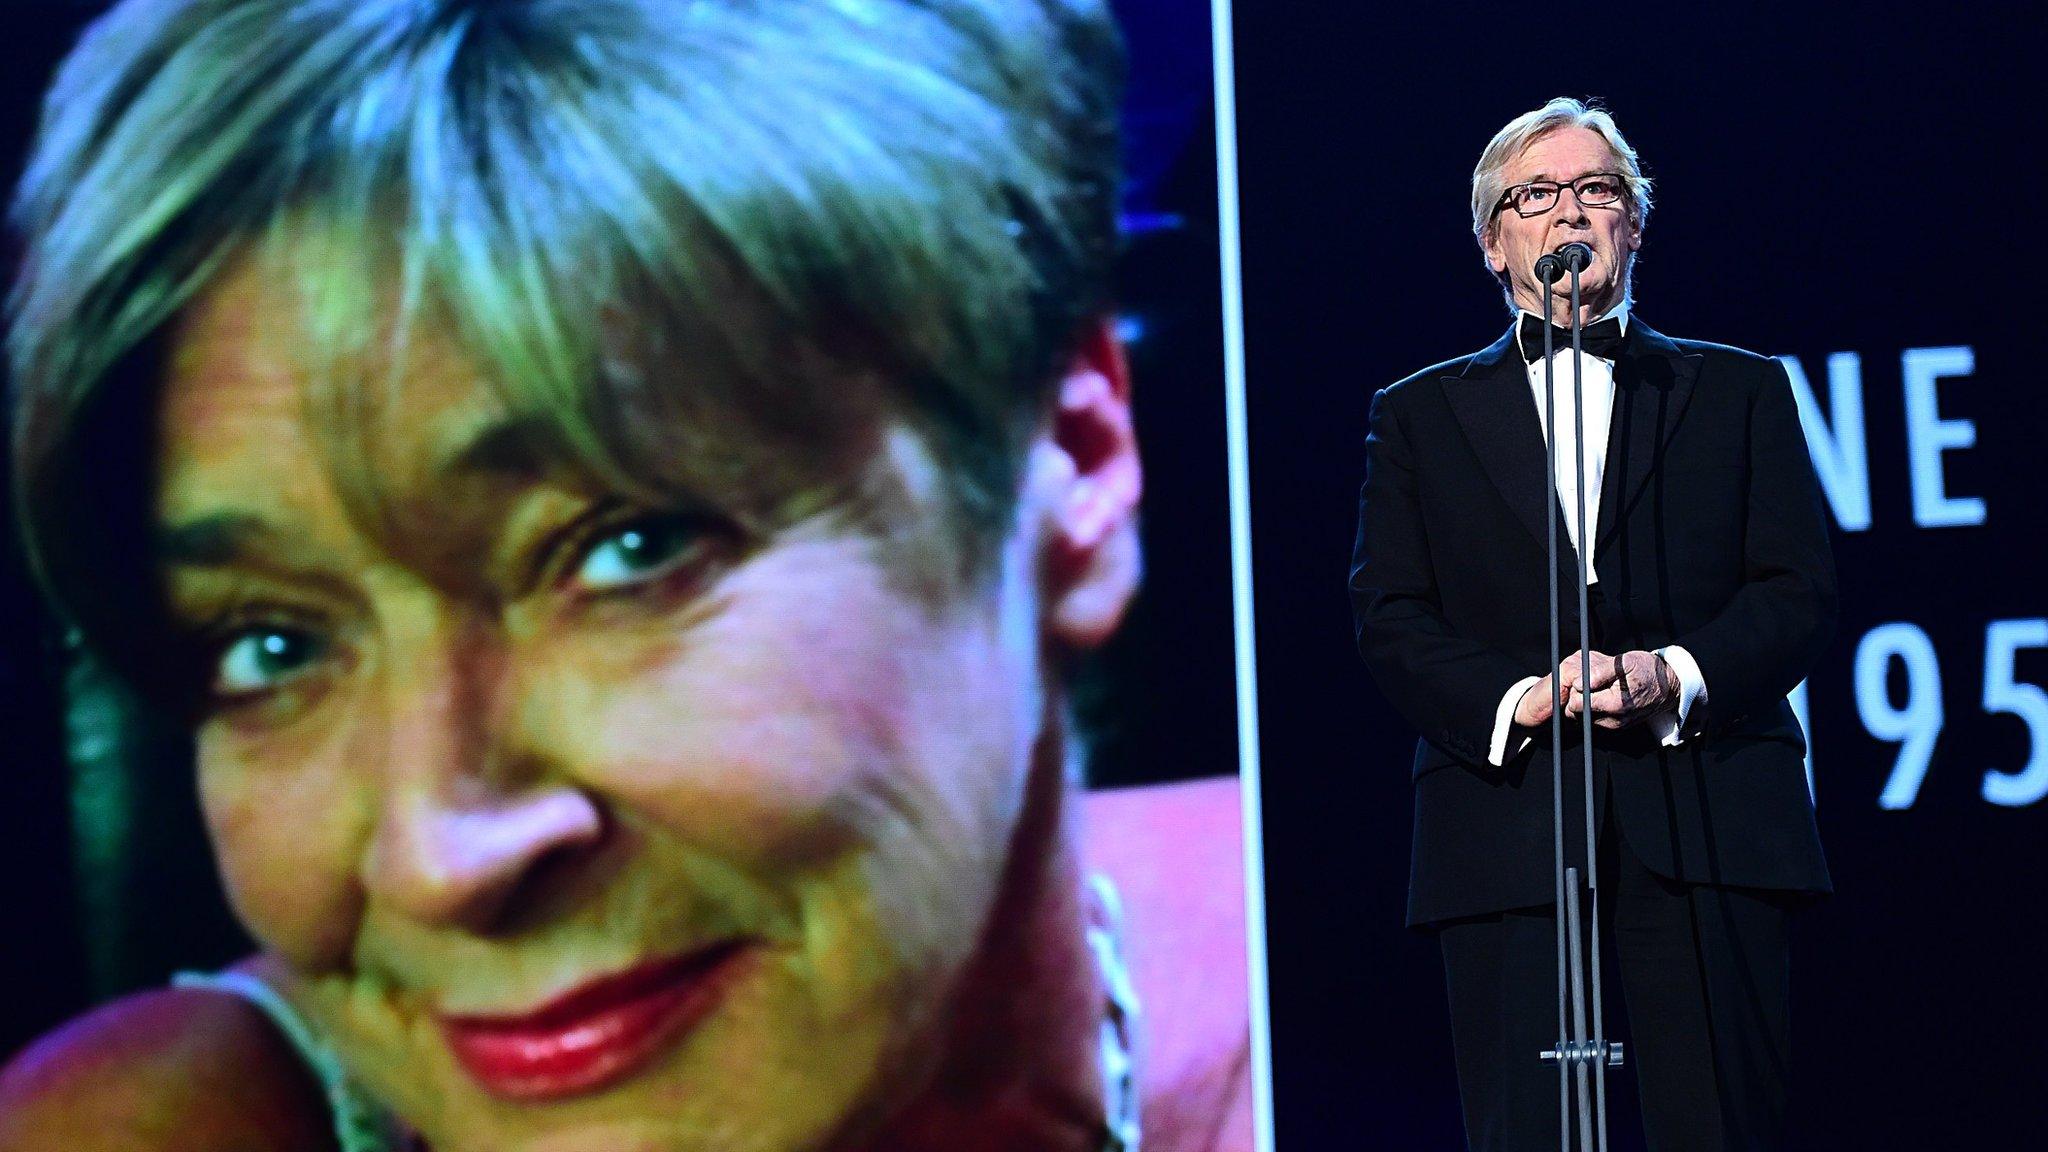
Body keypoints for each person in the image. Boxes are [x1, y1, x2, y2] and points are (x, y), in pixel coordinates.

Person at [0, 1, 1254, 1150]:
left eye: (626, 550)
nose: (440, 855)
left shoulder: (1389, 977)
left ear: (1070, 461)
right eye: (272, 641)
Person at [1348, 97, 1836, 1151]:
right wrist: (1521, 697)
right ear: (1493, 243)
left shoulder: (1738, 389)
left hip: (1707, 814)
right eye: (1535, 195)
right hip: (1505, 823)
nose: (1567, 212)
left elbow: (1794, 591)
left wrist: (1671, 673)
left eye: (1594, 189)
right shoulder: (1418, 414)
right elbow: (1387, 613)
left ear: (1633, 225)